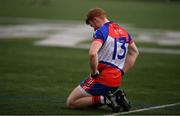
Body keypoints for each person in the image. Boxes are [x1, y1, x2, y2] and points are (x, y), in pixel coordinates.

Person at [66, 8, 139, 112]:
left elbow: (92, 53)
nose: (94, 29)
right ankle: (114, 97)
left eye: (92, 25)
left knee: (71, 102)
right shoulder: (123, 31)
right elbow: (135, 52)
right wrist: (122, 71)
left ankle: (106, 99)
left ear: (96, 19)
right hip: (116, 80)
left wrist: (94, 72)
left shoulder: (102, 31)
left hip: (102, 78)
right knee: (91, 103)